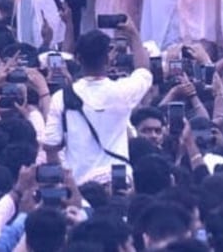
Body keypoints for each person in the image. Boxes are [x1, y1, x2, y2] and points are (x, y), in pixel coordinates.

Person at [40, 22, 152, 186]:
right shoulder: (122, 91)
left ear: (78, 59)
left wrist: (66, 182)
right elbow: (144, 72)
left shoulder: (61, 97)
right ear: (108, 59)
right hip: (118, 181)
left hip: (80, 185)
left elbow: (50, 147)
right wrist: (133, 34)